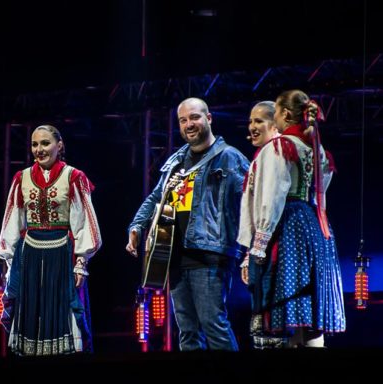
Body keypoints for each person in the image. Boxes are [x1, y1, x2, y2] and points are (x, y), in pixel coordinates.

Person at [126, 97, 250, 351]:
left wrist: (249, 249)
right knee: (187, 332)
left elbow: (249, 204)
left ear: (209, 118)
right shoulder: (176, 160)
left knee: (213, 325)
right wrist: (136, 226)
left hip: (210, 253)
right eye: (183, 120)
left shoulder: (229, 158)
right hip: (174, 254)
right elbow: (156, 197)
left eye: (194, 117)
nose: (189, 124)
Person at [237, 89, 346, 348]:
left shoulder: (279, 146)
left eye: (273, 114)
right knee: (307, 309)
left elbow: (272, 197)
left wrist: (258, 246)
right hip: (315, 226)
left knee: (288, 306)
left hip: (288, 227)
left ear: (285, 114)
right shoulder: (316, 149)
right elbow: (320, 191)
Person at [0, 124, 102, 356]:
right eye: (35, 144)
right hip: (30, 253)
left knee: (63, 310)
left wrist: (81, 262)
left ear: (59, 145)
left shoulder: (74, 177)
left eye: (45, 143)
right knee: (31, 310)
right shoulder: (21, 178)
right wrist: (10, 262)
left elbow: (84, 222)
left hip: (62, 252)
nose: (39, 149)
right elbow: (13, 221)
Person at [239, 101, 283, 348]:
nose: (253, 127)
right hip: (260, 247)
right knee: (260, 312)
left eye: (259, 121)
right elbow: (252, 210)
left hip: (272, 245)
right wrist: (249, 253)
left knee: (270, 310)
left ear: (275, 123)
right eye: (250, 121)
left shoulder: (275, 152)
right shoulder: (261, 155)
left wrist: (258, 247)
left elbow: (270, 202)